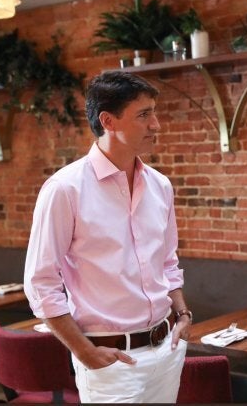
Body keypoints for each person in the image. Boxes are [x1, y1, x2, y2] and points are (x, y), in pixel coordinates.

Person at [24, 71, 191, 403]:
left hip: (168, 348)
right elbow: (41, 283)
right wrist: (84, 352)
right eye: (144, 114)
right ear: (108, 121)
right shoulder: (64, 189)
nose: (156, 124)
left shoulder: (161, 185)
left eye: (154, 112)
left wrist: (183, 315)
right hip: (111, 362)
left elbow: (168, 262)